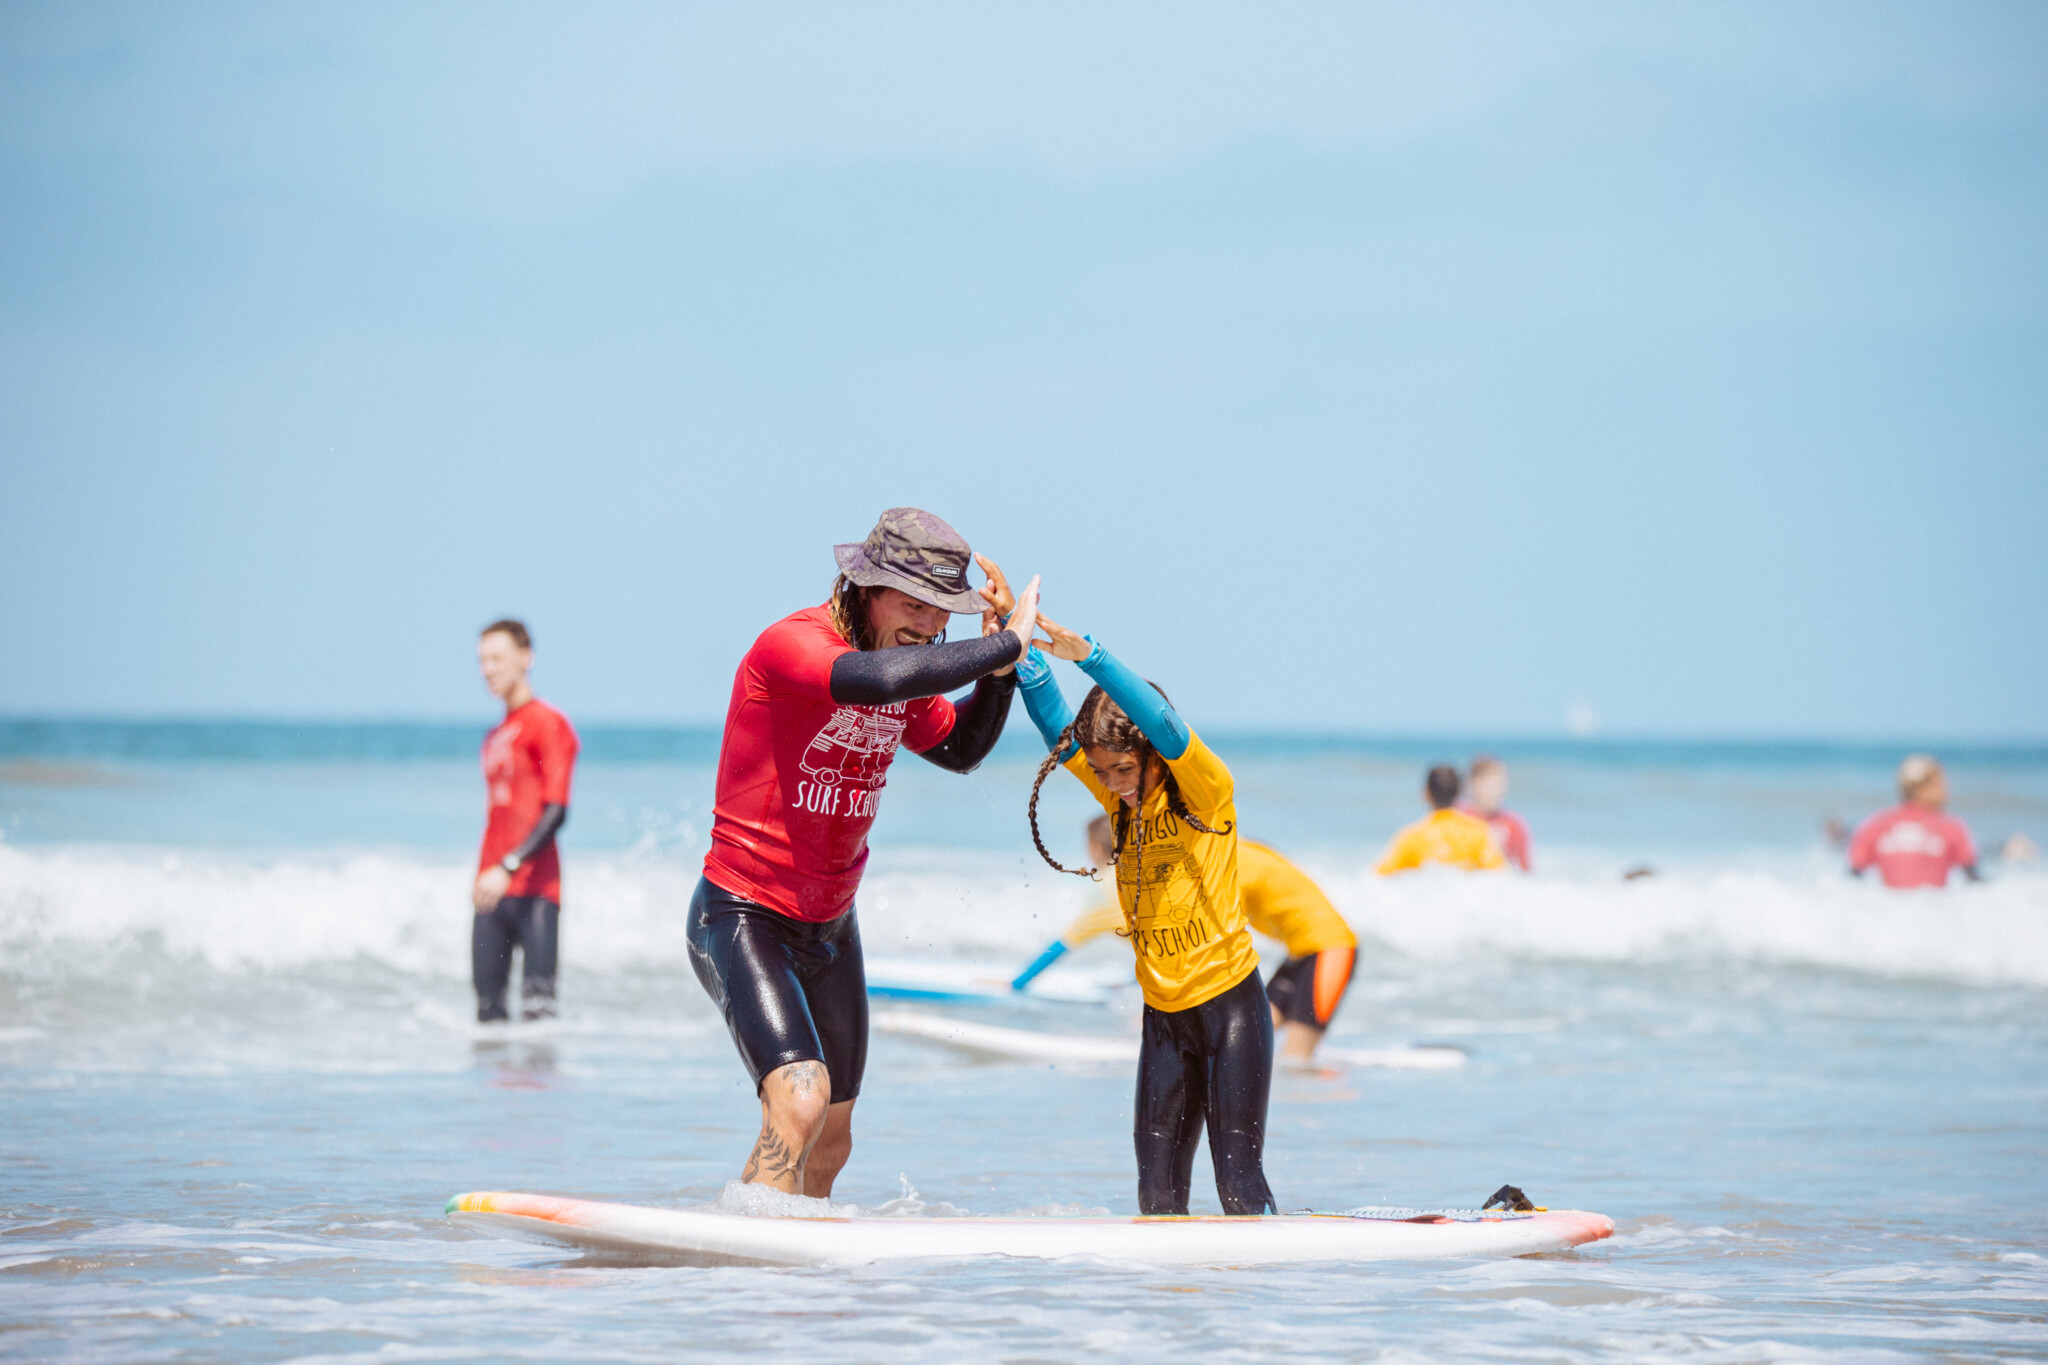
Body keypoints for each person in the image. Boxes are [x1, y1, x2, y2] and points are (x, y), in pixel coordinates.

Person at [690, 509, 1040, 1198]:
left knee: (834, 1134)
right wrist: (1007, 649)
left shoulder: (900, 667)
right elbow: (877, 680)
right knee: (799, 1097)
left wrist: (999, 669)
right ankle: (741, 1269)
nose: (928, 626)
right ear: (863, 588)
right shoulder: (792, 646)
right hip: (743, 913)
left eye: (942, 612)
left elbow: (960, 749)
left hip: (831, 927)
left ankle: (800, 1286)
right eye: (912, 604)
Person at [1018, 614, 1277, 1216]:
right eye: (1103, 773)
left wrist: (1089, 657)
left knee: (1237, 1185)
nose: (1112, 784)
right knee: (1156, 1197)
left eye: (1124, 770)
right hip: (1163, 1020)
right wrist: (1018, 646)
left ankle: (1263, 1301)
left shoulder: (1207, 789)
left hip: (1229, 1010)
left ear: (1154, 754)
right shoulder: (1120, 801)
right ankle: (1171, 1310)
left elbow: (1163, 721)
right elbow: (1056, 724)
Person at [1015, 831, 1356, 1061]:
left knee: (1297, 1057)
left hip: (1332, 950)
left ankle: (1317, 1128)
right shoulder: (1230, 850)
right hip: (1300, 953)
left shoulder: (1230, 865)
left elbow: (1210, 941)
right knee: (1254, 1038)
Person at [472, 619, 580, 1023]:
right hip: (491, 890)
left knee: (539, 1017)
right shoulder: (495, 735)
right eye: (483, 660)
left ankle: (538, 1089)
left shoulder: (548, 723)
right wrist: (490, 872)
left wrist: (508, 866)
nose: (488, 669)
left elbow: (556, 811)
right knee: (487, 1014)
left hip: (536, 890)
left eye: (497, 658)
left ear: (526, 657)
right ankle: (489, 1090)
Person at [1848, 755, 1980, 889]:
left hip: (1888, 907)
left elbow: (1851, 878)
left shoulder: (1875, 825)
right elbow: (1974, 880)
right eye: (1940, 783)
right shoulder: (1951, 827)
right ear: (1922, 787)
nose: (1945, 791)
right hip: (1934, 907)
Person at [1376, 765, 1505, 875]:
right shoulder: (1478, 833)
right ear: (1459, 793)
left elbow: (1377, 877)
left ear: (1426, 794)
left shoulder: (1411, 837)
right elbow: (1501, 876)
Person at [1462, 755, 1532, 871]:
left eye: (1500, 784)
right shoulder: (1460, 819)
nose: (1496, 792)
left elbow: (1525, 873)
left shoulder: (1514, 826)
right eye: (1489, 785)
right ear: (1472, 784)